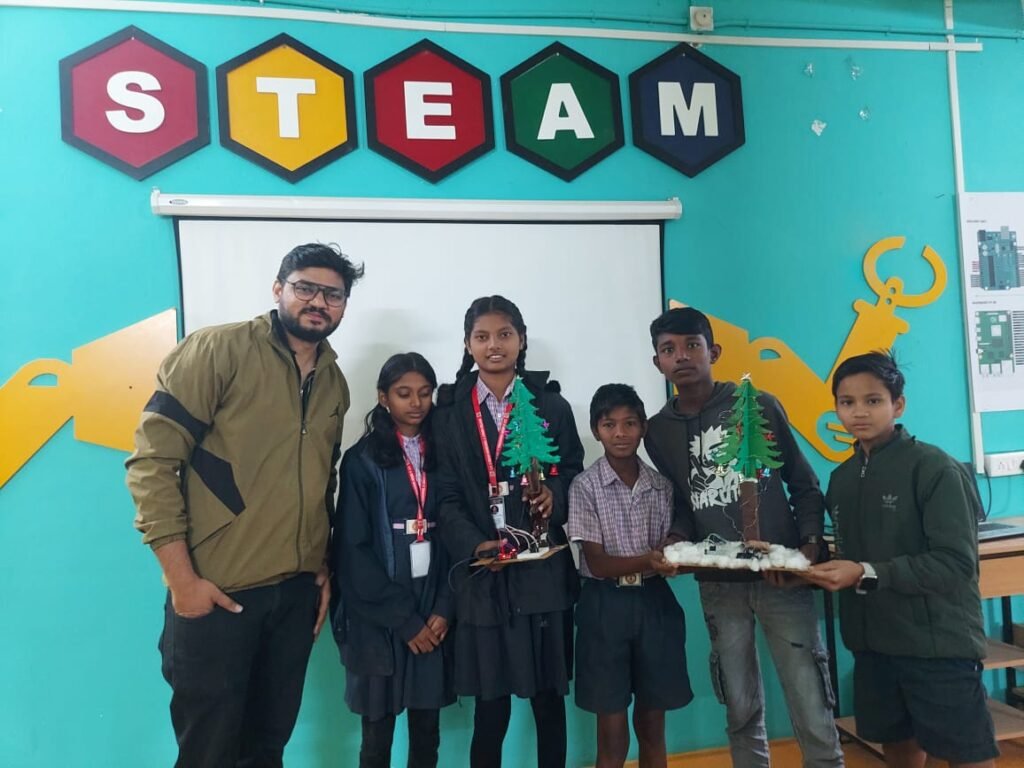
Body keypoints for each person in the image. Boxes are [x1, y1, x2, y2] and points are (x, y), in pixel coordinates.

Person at [126, 242, 362, 768]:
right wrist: (183, 583)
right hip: (218, 594)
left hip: (294, 597)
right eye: (305, 288)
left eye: (333, 294)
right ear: (278, 288)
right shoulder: (218, 350)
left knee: (266, 750)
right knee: (208, 753)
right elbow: (152, 463)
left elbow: (321, 480)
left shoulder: (334, 382)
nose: (318, 302)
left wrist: (321, 566)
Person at [643, 307, 843, 768]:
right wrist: (675, 540)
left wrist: (807, 550)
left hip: (781, 581)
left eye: (692, 345)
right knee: (739, 704)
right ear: (657, 363)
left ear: (713, 352)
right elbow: (682, 502)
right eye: (669, 350)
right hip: (719, 586)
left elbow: (804, 483)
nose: (681, 356)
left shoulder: (758, 405)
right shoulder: (657, 432)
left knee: (809, 698)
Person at [802, 351, 997, 768]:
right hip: (873, 647)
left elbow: (955, 563)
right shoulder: (841, 478)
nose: (859, 412)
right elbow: (852, 554)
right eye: (847, 402)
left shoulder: (934, 468)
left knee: (965, 754)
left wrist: (866, 573)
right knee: (898, 749)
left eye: (873, 400)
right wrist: (800, 567)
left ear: (898, 405)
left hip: (936, 647)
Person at [434, 295, 585, 768]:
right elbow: (444, 495)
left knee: (549, 703)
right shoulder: (448, 412)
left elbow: (573, 471)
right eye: (482, 336)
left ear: (522, 340)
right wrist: (475, 544)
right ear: (467, 344)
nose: (494, 345)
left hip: (543, 577)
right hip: (484, 578)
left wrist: (554, 497)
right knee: (491, 709)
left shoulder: (551, 405)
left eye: (504, 334)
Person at [331, 352, 454, 768]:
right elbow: (352, 550)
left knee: (427, 734)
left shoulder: (445, 455)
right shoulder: (362, 461)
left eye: (424, 393)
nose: (416, 403)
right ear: (383, 397)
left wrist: (444, 607)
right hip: (380, 616)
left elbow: (457, 530)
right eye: (404, 393)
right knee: (376, 740)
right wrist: (404, 620)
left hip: (431, 609)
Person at [567, 383, 693, 768]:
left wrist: (673, 551)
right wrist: (652, 559)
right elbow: (598, 563)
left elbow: (673, 542)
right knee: (611, 728)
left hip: (655, 605)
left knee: (653, 723)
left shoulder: (661, 486)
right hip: (604, 605)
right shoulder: (584, 486)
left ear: (643, 428)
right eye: (610, 425)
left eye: (630, 423)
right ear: (596, 430)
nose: (620, 433)